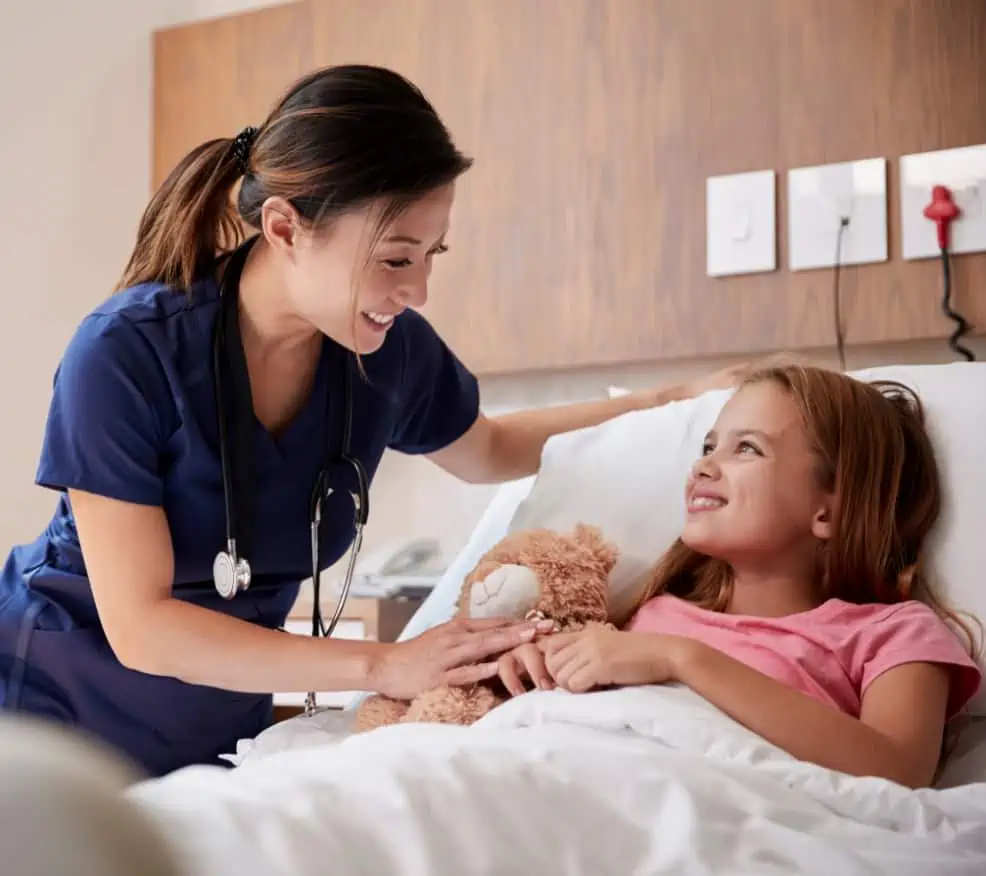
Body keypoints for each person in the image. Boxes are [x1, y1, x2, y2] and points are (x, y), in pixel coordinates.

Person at [0, 64, 748, 778]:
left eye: (432, 255)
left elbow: (489, 447)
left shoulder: (383, 352)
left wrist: (670, 402)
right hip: (51, 712)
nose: (418, 289)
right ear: (286, 227)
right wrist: (385, 662)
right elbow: (143, 626)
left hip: (215, 724)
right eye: (396, 259)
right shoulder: (128, 353)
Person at [498, 364, 983, 789]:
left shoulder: (892, 633)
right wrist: (537, 670)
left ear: (829, 512)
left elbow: (897, 771)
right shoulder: (656, 612)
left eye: (747, 448)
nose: (704, 465)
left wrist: (682, 659)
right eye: (709, 446)